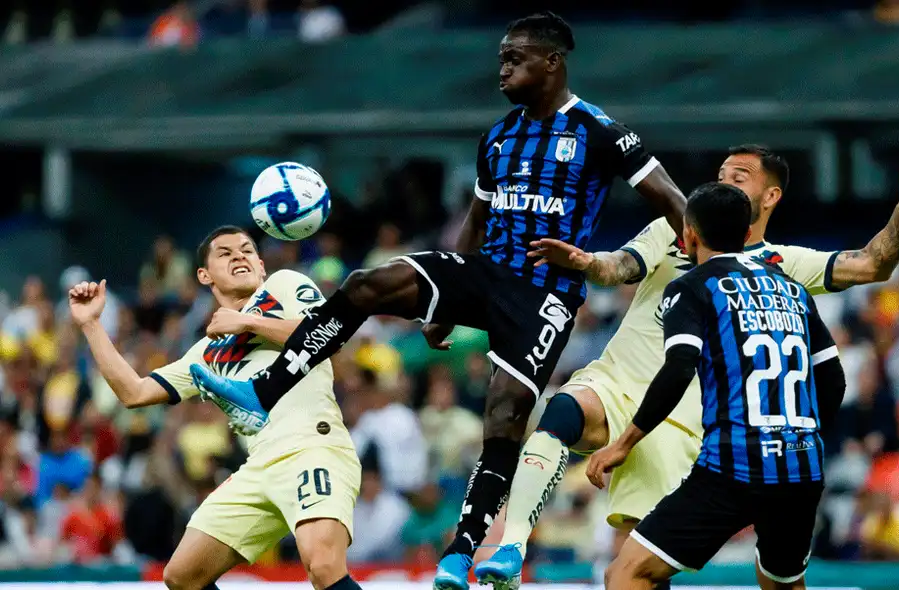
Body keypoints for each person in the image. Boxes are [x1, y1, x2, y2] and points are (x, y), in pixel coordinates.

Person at [191, 11, 686, 590]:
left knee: (503, 420)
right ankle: (263, 390)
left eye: (514, 58)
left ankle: (461, 554)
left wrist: (705, 266)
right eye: (500, 57)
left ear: (552, 62)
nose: (501, 69)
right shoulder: (498, 136)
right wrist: (442, 306)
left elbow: (675, 202)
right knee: (362, 286)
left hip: (544, 295)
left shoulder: (601, 132)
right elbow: (476, 218)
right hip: (484, 271)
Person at [476, 147, 899, 588]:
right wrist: (587, 261)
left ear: (771, 196)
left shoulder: (769, 268)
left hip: (689, 429)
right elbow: (617, 267)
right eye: (720, 176)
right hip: (641, 394)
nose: (724, 182)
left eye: (738, 177)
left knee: (630, 566)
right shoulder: (692, 238)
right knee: (562, 415)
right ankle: (512, 544)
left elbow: (872, 264)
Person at [69, 226, 362, 590]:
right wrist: (91, 325)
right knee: (182, 576)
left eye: (246, 250)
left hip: (313, 447)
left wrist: (248, 321)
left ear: (260, 264)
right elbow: (135, 392)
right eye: (225, 253)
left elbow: (329, 335)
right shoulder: (205, 353)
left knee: (322, 566)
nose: (239, 255)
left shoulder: (284, 285)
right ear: (204, 275)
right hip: (257, 465)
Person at [589, 181, 847, 589]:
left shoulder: (692, 287)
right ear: (747, 235)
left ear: (688, 233)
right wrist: (801, 439)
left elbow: (678, 368)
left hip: (733, 465)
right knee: (782, 583)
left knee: (627, 573)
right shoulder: (792, 289)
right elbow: (832, 377)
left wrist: (623, 443)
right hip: (801, 466)